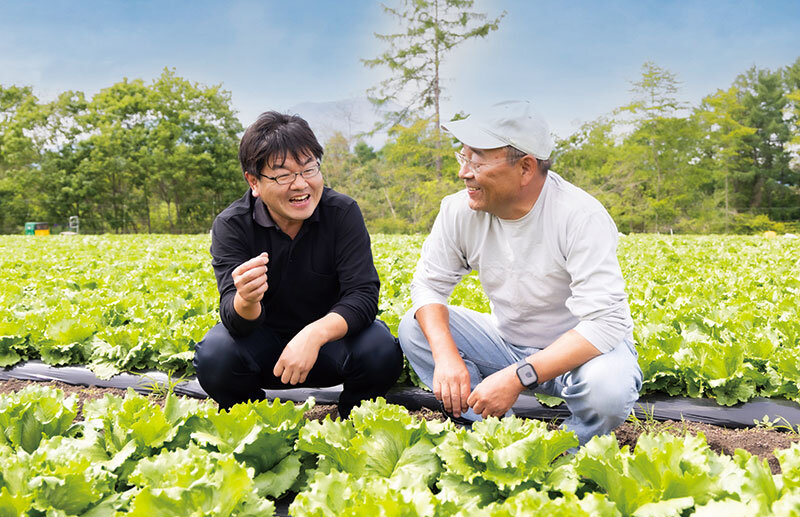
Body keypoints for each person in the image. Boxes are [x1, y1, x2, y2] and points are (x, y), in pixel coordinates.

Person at [398, 100, 642, 444]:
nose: (463, 172)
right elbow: (429, 286)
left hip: (580, 355)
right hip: (506, 342)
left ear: (526, 167)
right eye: (463, 156)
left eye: (477, 159)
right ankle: (496, 435)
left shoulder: (579, 216)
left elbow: (605, 324)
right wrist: (446, 356)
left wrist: (516, 378)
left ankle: (564, 450)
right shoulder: (458, 211)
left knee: (608, 390)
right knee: (415, 327)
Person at [194, 111, 403, 417]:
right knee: (216, 355)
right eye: (283, 175)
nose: (300, 184)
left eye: (309, 169)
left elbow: (363, 297)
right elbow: (233, 317)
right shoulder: (232, 224)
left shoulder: (341, 213)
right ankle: (252, 422)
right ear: (254, 181)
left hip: (329, 346)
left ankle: (353, 420)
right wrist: (246, 300)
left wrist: (313, 335)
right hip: (263, 349)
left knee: (380, 349)